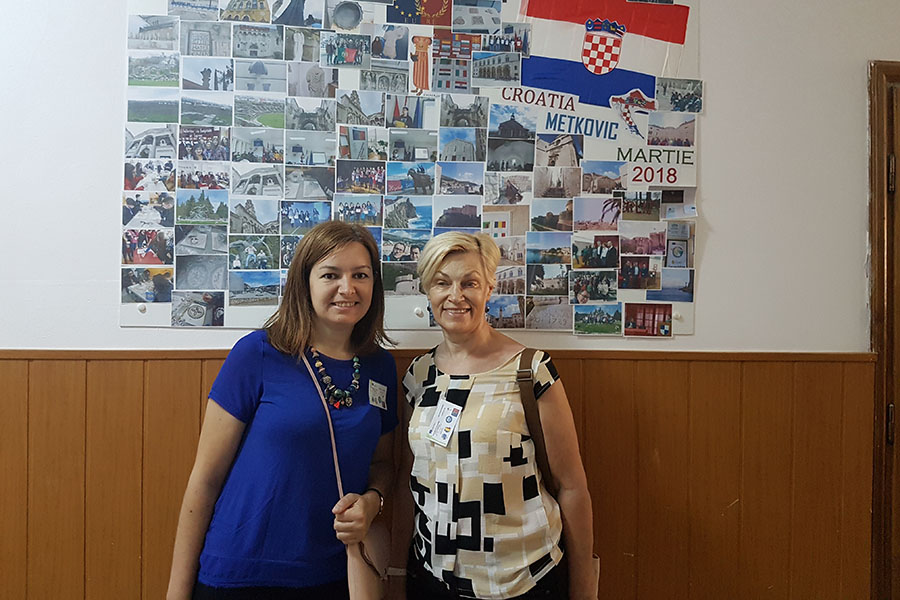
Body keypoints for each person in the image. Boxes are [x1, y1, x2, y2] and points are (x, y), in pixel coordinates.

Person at [167, 221, 398, 600]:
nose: (348, 288)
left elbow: (383, 464)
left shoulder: (380, 366)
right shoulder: (257, 353)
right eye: (330, 275)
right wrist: (177, 593)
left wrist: (372, 502)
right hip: (241, 574)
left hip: (336, 573)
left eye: (360, 275)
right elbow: (205, 481)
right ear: (304, 283)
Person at [388, 232, 595, 600]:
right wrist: (396, 573)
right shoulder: (418, 375)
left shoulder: (530, 371)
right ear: (427, 291)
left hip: (522, 581)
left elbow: (572, 486)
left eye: (469, 283)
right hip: (432, 578)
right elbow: (408, 479)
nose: (455, 296)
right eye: (442, 283)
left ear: (489, 288)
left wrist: (582, 587)